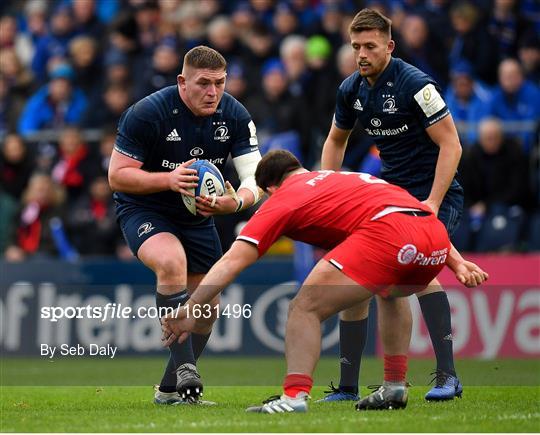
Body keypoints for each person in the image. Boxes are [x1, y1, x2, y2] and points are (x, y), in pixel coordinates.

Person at [161, 150, 488, 413]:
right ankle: (394, 386)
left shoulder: (283, 198)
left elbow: (234, 259)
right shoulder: (344, 177)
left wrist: (191, 307)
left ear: (270, 188)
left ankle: (294, 396)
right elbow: (414, 212)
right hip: (432, 234)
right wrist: (456, 262)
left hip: (389, 234)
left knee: (304, 307)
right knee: (391, 293)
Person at [319, 9, 465, 402]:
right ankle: (348, 386)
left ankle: (448, 377)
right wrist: (328, 195)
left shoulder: (416, 85)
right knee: (357, 279)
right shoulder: (351, 89)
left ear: (389, 45)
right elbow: (335, 141)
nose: (361, 54)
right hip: (389, 197)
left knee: (413, 275)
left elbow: (451, 144)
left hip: (435, 193)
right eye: (355, 47)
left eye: (370, 46)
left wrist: (432, 202)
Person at [108, 45, 262, 405]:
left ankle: (167, 391)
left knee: (207, 309)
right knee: (170, 262)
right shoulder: (147, 113)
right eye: (204, 83)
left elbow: (254, 176)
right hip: (145, 208)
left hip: (196, 216)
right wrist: (169, 180)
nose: (213, 92)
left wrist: (236, 202)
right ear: (182, 81)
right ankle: (188, 372)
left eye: (220, 83)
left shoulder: (235, 115)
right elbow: (117, 176)